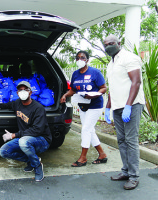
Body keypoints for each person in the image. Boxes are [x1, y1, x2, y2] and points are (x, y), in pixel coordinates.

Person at [104, 35, 145, 190]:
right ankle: (126, 171)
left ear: (118, 44)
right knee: (121, 140)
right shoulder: (111, 63)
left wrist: (128, 106)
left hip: (132, 105)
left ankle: (134, 177)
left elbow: (136, 81)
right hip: (117, 106)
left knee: (131, 140)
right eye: (105, 44)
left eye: (111, 44)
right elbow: (112, 87)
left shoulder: (129, 58)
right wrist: (108, 106)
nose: (108, 46)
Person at [0, 81, 52, 182]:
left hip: (42, 140)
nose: (23, 92)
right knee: (4, 151)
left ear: (30, 92)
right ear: (17, 92)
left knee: (23, 141)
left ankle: (37, 166)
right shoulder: (17, 103)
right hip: (25, 138)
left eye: (26, 90)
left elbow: (37, 130)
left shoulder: (38, 108)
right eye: (20, 90)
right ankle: (32, 160)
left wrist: (13, 135)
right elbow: (9, 104)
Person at [60, 50, 108, 167]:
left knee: (86, 129)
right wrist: (65, 95)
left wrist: (95, 94)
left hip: (94, 105)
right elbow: (73, 89)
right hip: (83, 105)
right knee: (90, 130)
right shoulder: (75, 74)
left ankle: (83, 158)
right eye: (77, 58)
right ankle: (102, 154)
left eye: (82, 57)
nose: (79, 60)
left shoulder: (95, 72)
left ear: (87, 60)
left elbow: (103, 88)